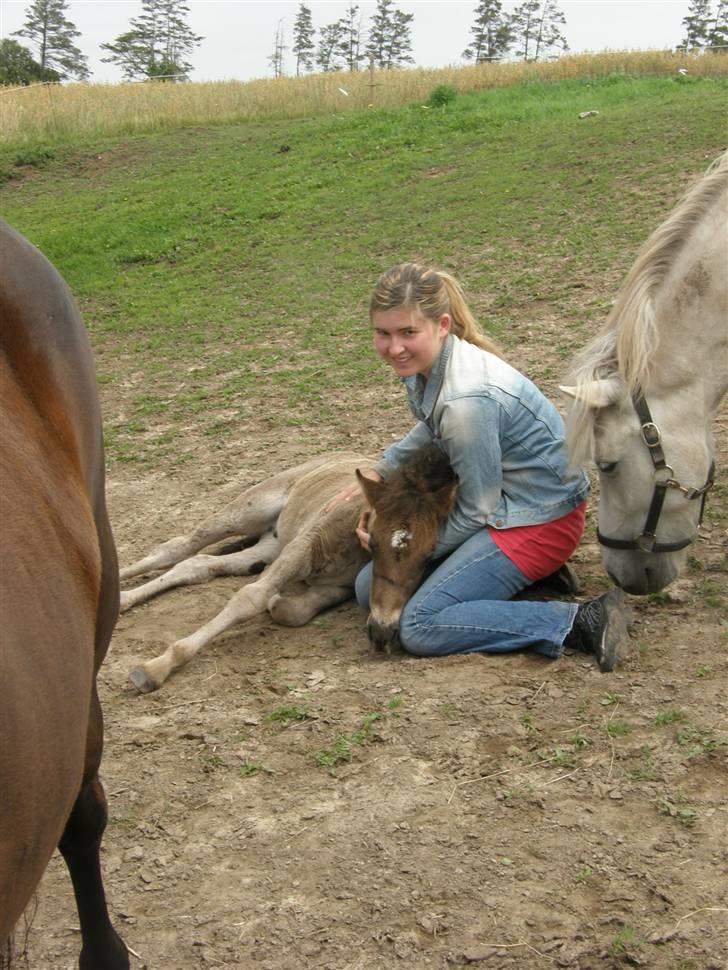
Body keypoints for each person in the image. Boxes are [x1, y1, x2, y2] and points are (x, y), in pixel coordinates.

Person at [337, 262, 629, 671]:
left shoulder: (466, 404)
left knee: (419, 625)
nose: (394, 347)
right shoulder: (433, 365)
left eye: (407, 333)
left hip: (539, 520)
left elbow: (477, 507)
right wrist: (384, 467)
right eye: (382, 333)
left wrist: (409, 548)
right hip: (507, 507)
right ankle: (528, 586)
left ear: (441, 325)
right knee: (368, 585)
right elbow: (430, 426)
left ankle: (577, 621)